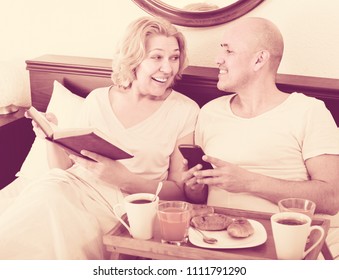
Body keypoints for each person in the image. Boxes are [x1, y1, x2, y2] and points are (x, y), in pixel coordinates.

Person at [0, 16, 199, 259]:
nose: (168, 68)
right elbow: (61, 168)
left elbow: (179, 193)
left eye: (174, 57)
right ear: (133, 59)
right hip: (67, 187)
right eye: (156, 57)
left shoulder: (185, 110)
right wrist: (49, 137)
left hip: (120, 208)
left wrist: (124, 178)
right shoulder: (97, 99)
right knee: (41, 203)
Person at [183, 17, 339, 259]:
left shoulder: (308, 111)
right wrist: (194, 188)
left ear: (259, 59)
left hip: (283, 249)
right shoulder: (209, 113)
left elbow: (332, 198)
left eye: (229, 50)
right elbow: (202, 196)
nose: (218, 59)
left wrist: (249, 183)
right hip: (214, 247)